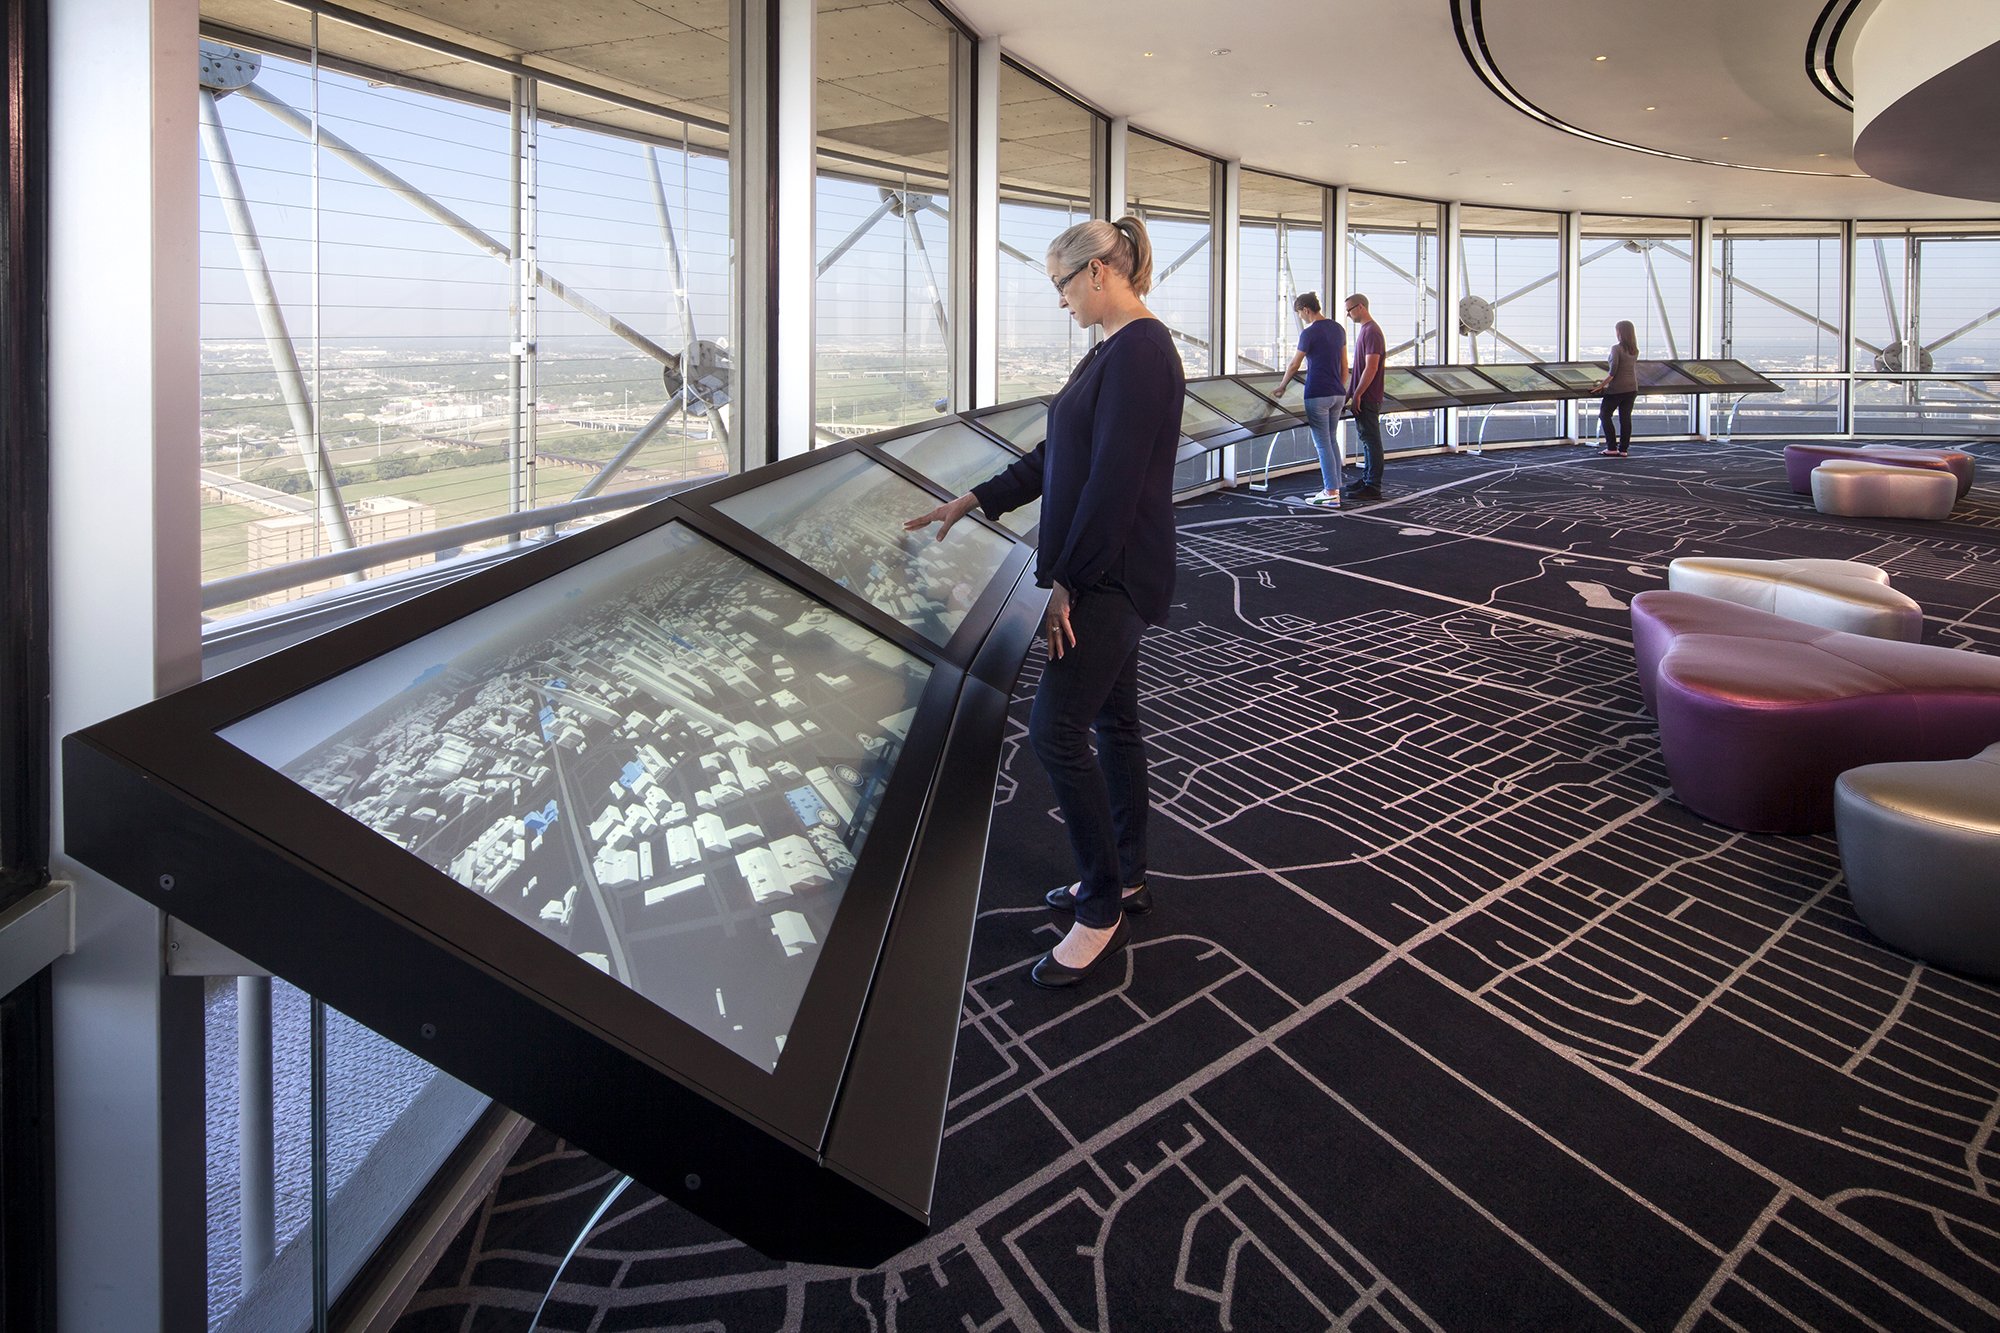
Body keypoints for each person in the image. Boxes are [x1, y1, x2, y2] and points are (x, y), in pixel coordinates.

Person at [904, 217, 1183, 989]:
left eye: (1061, 285)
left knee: (1055, 732)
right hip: (1110, 572)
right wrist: (975, 497)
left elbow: (1112, 486)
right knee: (1112, 724)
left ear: (1096, 272)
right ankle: (1126, 874)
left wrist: (1067, 581)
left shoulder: (1141, 353)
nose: (1060, 301)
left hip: (1112, 579)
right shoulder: (1114, 350)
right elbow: (1062, 453)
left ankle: (1101, 906)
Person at [1273, 293, 1348, 506]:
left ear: (1306, 309)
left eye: (1299, 313)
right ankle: (1335, 488)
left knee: (1322, 444)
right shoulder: (1338, 329)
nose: (1301, 317)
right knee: (1331, 440)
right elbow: (1344, 364)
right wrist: (1341, 388)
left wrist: (1282, 386)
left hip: (1317, 393)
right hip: (1337, 393)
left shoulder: (1309, 333)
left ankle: (1330, 492)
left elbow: (1294, 365)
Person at [1343, 293, 1385, 501]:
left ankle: (1372, 485)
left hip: (1368, 396)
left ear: (1360, 307)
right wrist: (1350, 393)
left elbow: (1371, 367)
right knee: (1367, 439)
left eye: (1349, 310)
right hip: (1365, 395)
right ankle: (1368, 478)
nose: (1348, 314)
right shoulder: (1366, 330)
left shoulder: (1372, 332)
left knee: (1371, 440)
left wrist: (1358, 394)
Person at [1595, 319, 1640, 456]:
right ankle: (1623, 449)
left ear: (1620, 332)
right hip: (1632, 388)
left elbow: (1613, 372)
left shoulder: (1616, 348)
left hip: (1617, 389)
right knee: (1625, 418)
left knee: (1604, 415)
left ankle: (1612, 447)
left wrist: (1600, 386)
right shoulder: (1634, 350)